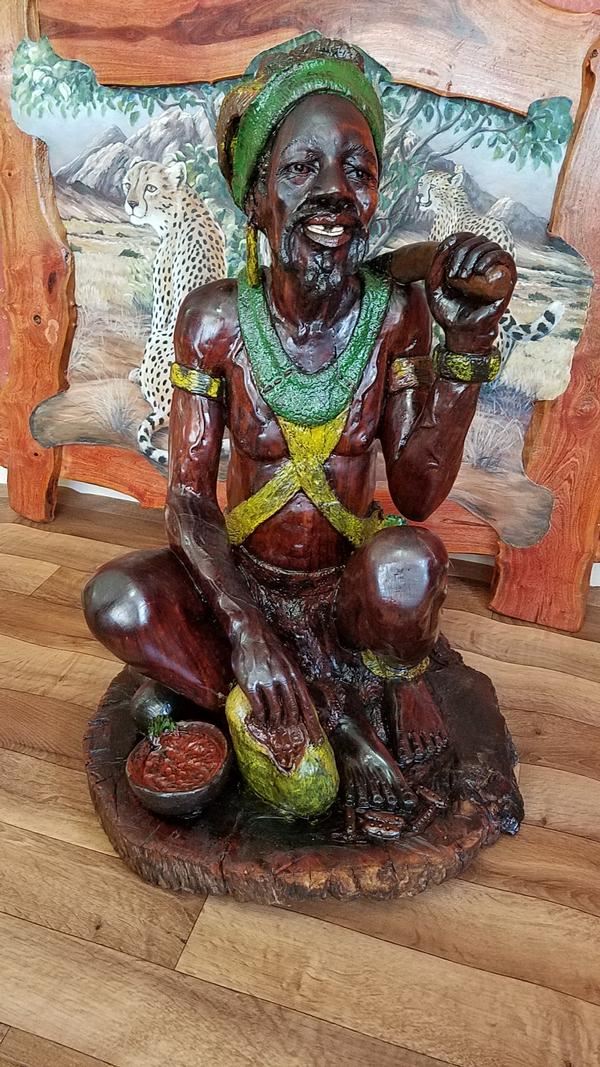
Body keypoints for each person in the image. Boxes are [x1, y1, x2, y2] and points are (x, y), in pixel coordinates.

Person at [83, 38, 516, 824]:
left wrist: (468, 349)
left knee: (410, 564)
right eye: (301, 168)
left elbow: (418, 494)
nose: (333, 193)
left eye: (357, 170)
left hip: (346, 593)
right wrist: (246, 628)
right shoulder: (214, 322)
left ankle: (370, 678)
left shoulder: (395, 313)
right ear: (256, 199)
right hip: (242, 581)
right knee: (118, 600)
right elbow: (189, 498)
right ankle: (331, 713)